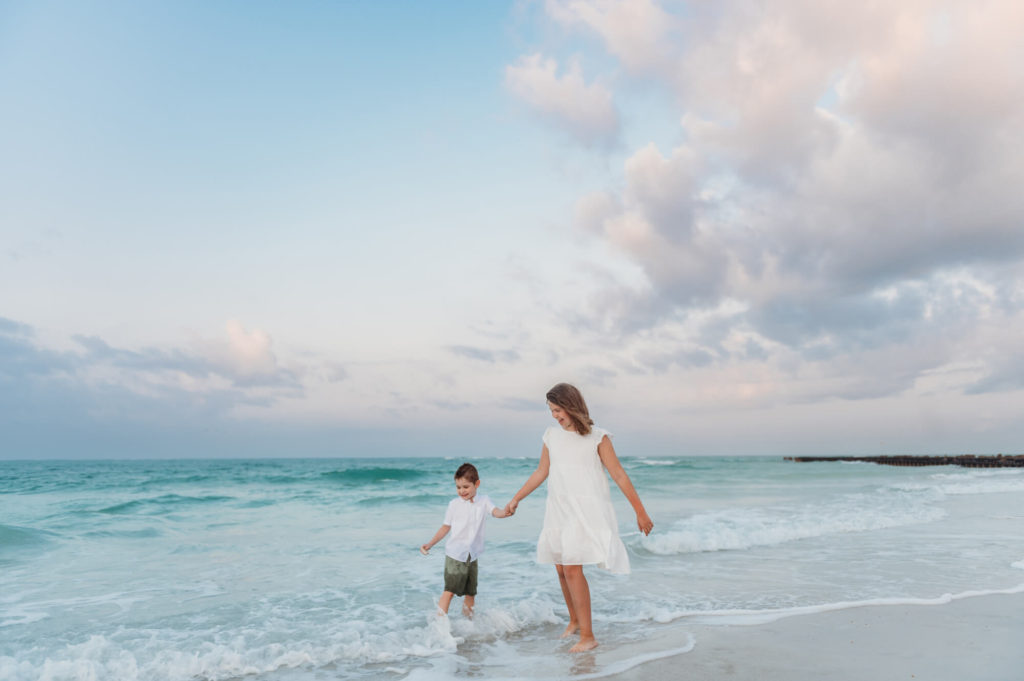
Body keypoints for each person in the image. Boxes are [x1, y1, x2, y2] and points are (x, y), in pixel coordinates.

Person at [505, 383, 653, 653]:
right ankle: (574, 621)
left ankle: (588, 635)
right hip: (558, 509)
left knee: (573, 567)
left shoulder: (599, 437)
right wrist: (516, 498)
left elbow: (618, 474)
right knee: (561, 566)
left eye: (558, 409)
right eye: (551, 411)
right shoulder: (551, 435)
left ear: (572, 406)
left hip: (585, 509)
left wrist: (640, 511)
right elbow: (541, 472)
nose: (554, 416)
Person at [421, 462, 512, 617]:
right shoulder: (453, 505)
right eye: (458, 487)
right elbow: (445, 527)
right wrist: (430, 544)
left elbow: (495, 511)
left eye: (466, 487)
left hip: (472, 555)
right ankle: (440, 626)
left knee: (471, 593)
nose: (462, 491)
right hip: (455, 554)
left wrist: (505, 512)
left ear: (477, 484)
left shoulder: (484, 501)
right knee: (449, 591)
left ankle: (469, 624)